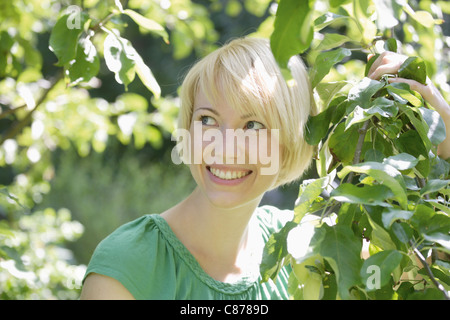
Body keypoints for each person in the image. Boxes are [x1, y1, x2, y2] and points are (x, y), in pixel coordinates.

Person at [80, 37, 450, 300]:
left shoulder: (302, 251)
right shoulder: (129, 267)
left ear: (290, 141)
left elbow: (430, 269)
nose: (225, 146)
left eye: (252, 125)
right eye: (208, 119)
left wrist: (439, 127)